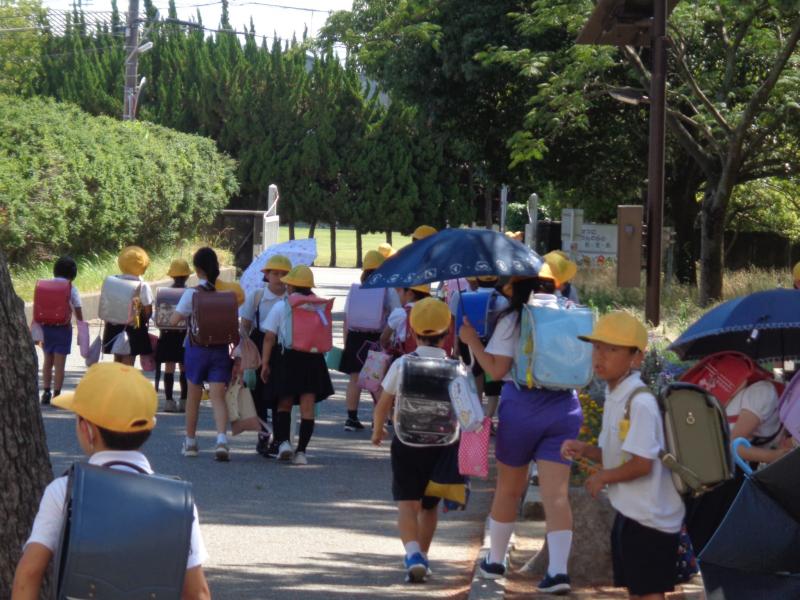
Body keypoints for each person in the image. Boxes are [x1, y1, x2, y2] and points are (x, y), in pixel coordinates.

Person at [11, 362, 210, 600]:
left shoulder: (65, 491)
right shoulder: (178, 502)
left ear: (87, 429)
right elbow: (198, 592)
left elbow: (29, 573)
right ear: (150, 427)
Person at [459, 275, 582, 594]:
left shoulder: (514, 318)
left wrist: (472, 341)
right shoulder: (571, 311)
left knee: (509, 489)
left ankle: (495, 561)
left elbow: (496, 370)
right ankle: (558, 571)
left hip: (522, 407)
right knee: (557, 494)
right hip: (565, 408)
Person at [561, 311, 685, 600]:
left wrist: (604, 477)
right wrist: (586, 450)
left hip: (651, 520)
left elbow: (642, 464)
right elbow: (618, 455)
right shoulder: (616, 395)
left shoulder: (640, 403)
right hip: (631, 514)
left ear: (636, 358)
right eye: (597, 347)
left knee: (649, 594)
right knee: (637, 591)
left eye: (612, 349)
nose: (600, 356)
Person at [372, 297, 458, 583]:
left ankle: (412, 555)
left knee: (407, 503)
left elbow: (383, 404)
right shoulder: (456, 368)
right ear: (448, 333)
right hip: (443, 444)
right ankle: (424, 554)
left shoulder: (403, 364)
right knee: (430, 506)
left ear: (412, 330)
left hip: (407, 442)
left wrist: (377, 430)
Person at [685, 376, 788, 554]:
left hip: (733, 473)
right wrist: (774, 456)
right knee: (701, 528)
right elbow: (733, 445)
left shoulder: (787, 417)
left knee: (713, 533)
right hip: (714, 464)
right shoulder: (766, 393)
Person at [260, 265, 335, 465]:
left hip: (288, 358)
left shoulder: (282, 306)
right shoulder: (319, 307)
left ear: (291, 286)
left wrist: (265, 363)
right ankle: (301, 452)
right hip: (313, 359)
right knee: (307, 407)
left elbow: (269, 337)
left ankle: (284, 443)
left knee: (284, 403)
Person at [171, 247, 237, 462]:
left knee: (193, 397)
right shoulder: (225, 294)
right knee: (218, 397)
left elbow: (174, 320)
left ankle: (190, 442)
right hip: (220, 349)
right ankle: (221, 440)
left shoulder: (191, 294)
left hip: (196, 350)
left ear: (197, 270)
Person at [341, 250, 400, 430]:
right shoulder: (388, 290)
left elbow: (346, 318)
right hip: (377, 338)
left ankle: (351, 418)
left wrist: (346, 342)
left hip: (354, 338)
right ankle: (378, 419)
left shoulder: (355, 290)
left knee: (355, 379)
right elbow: (396, 313)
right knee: (377, 381)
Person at [240, 254, 291, 456]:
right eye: (275, 273)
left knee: (280, 392)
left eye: (284, 274)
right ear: (267, 275)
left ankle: (279, 438)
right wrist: (245, 346)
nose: (279, 277)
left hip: (283, 345)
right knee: (257, 392)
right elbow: (245, 324)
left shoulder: (292, 298)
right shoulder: (257, 296)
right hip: (259, 342)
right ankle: (263, 434)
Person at [38, 256, 84, 405]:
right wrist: (81, 325)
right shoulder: (71, 288)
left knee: (47, 360)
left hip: (45, 328)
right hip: (63, 329)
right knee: (59, 364)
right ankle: (56, 394)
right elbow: (78, 308)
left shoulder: (45, 285)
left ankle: (46, 391)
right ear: (73, 273)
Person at [101, 246, 154, 366]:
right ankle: (126, 378)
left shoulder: (112, 282)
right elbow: (148, 311)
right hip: (134, 327)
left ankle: (116, 378)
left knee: (117, 357)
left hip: (113, 326)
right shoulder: (143, 286)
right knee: (129, 360)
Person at [155, 258, 190, 413]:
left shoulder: (163, 293)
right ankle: (184, 401)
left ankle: (169, 401)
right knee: (184, 367)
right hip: (184, 335)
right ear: (187, 276)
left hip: (167, 334)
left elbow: (156, 316)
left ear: (172, 276)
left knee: (169, 367)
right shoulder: (190, 293)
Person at [381, 284, 432, 353]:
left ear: (409, 293)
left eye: (400, 291)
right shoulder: (432, 312)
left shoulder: (400, 313)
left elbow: (384, 339)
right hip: (429, 355)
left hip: (405, 356)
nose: (398, 294)